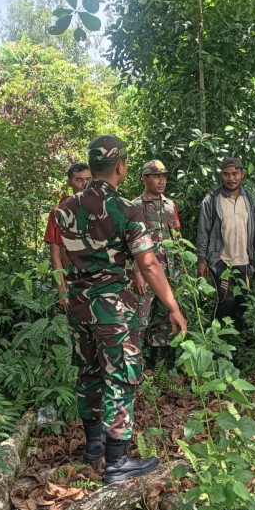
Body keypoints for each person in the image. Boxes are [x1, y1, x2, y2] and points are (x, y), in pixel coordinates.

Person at [56, 135, 188, 484]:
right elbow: (149, 264)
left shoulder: (65, 209)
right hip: (112, 307)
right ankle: (116, 462)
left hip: (78, 306)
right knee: (121, 377)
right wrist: (172, 306)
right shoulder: (125, 209)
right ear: (121, 166)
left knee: (88, 374)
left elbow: (63, 258)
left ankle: (93, 448)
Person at [196, 157, 255, 332]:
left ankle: (240, 345)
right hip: (221, 261)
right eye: (226, 174)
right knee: (224, 302)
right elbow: (203, 232)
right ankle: (218, 341)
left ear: (242, 174)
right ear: (221, 175)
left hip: (244, 260)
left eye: (235, 174)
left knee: (243, 303)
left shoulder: (249, 200)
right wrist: (201, 260)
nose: (231, 178)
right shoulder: (211, 200)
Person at [131, 159, 182, 368]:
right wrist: (136, 273)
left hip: (167, 271)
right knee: (140, 318)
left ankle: (157, 362)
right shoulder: (135, 206)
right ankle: (135, 362)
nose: (161, 181)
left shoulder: (170, 205)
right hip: (145, 272)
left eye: (163, 176)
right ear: (145, 179)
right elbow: (130, 242)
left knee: (163, 318)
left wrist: (178, 270)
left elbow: (177, 238)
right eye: (155, 176)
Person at [44, 163, 91, 308]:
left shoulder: (101, 208)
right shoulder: (58, 212)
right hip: (74, 282)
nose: (84, 184)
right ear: (69, 182)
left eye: (88, 179)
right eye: (79, 180)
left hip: (100, 282)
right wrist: (61, 291)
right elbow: (56, 256)